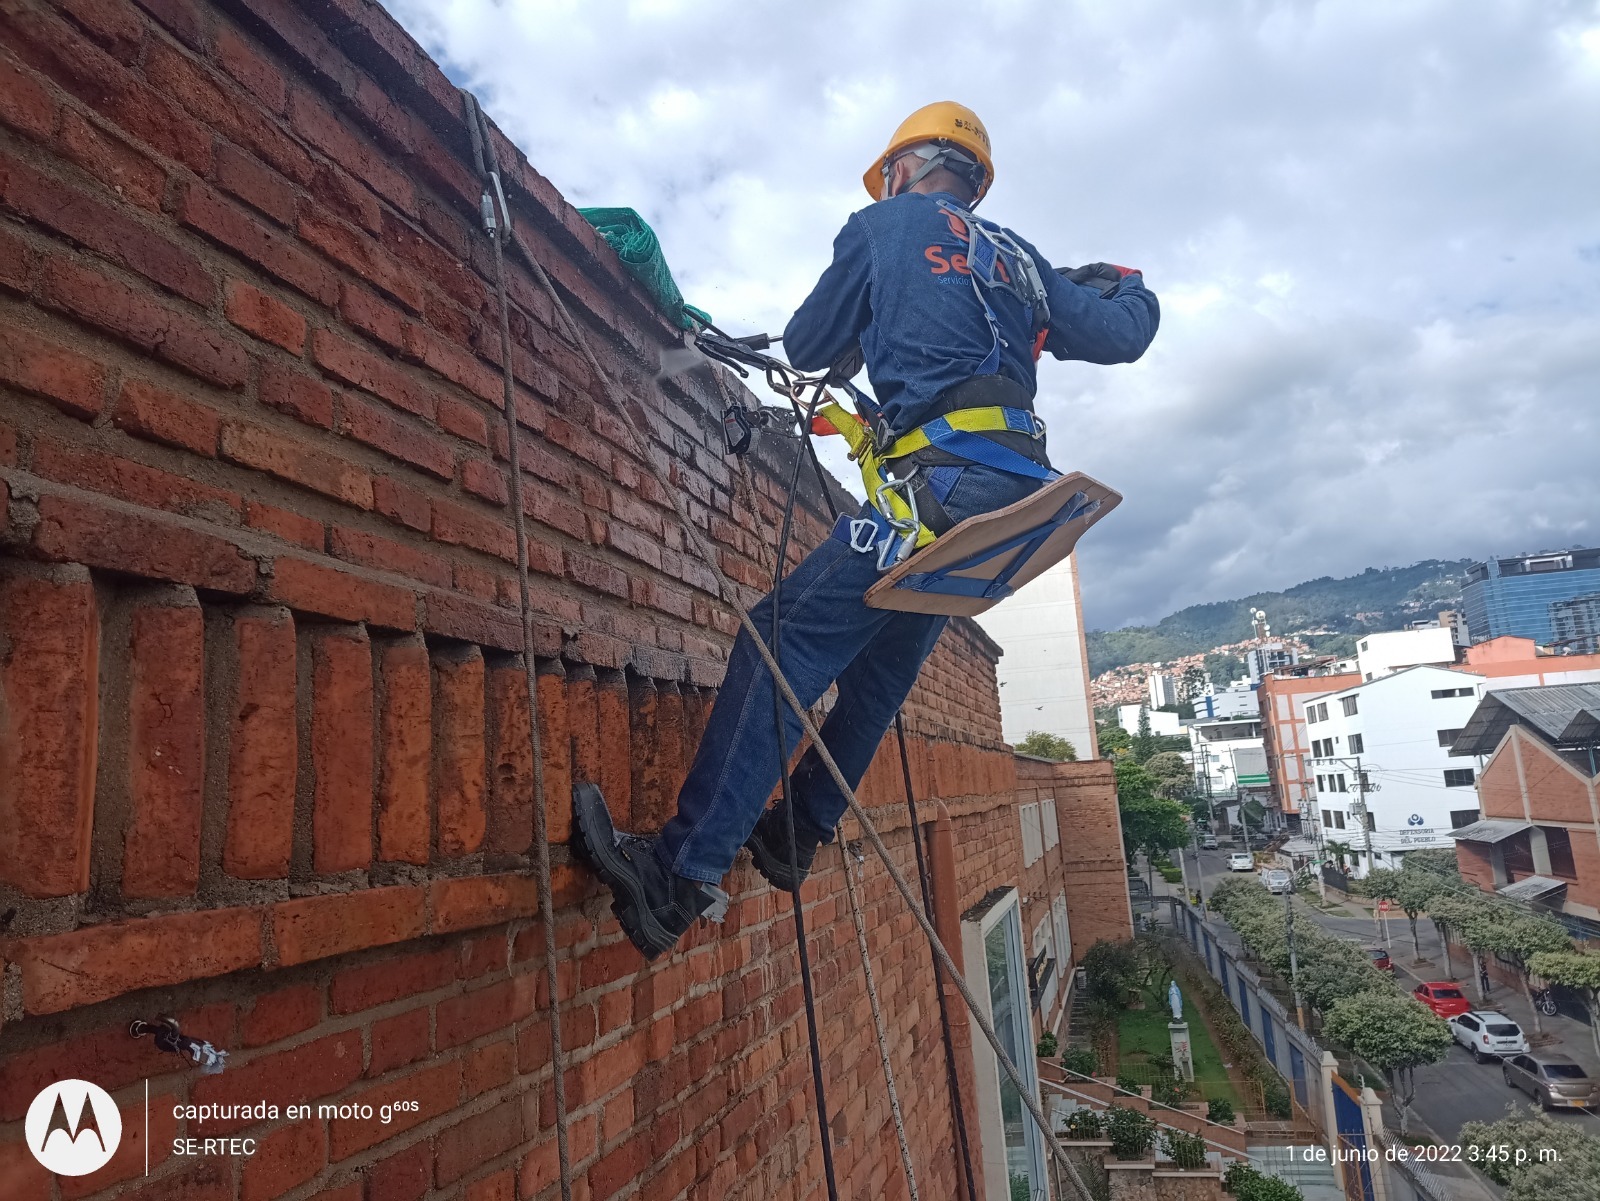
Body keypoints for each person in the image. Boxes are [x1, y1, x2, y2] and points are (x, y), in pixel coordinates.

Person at [574, 102, 1161, 959]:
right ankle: (796, 829)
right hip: (1016, 507)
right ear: (974, 179)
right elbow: (1124, 330)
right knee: (882, 668)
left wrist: (863, 324)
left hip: (937, 496)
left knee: (780, 639)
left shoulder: (884, 224)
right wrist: (1124, 275)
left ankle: (676, 877)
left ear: (906, 167)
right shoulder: (1023, 261)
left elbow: (810, 344)